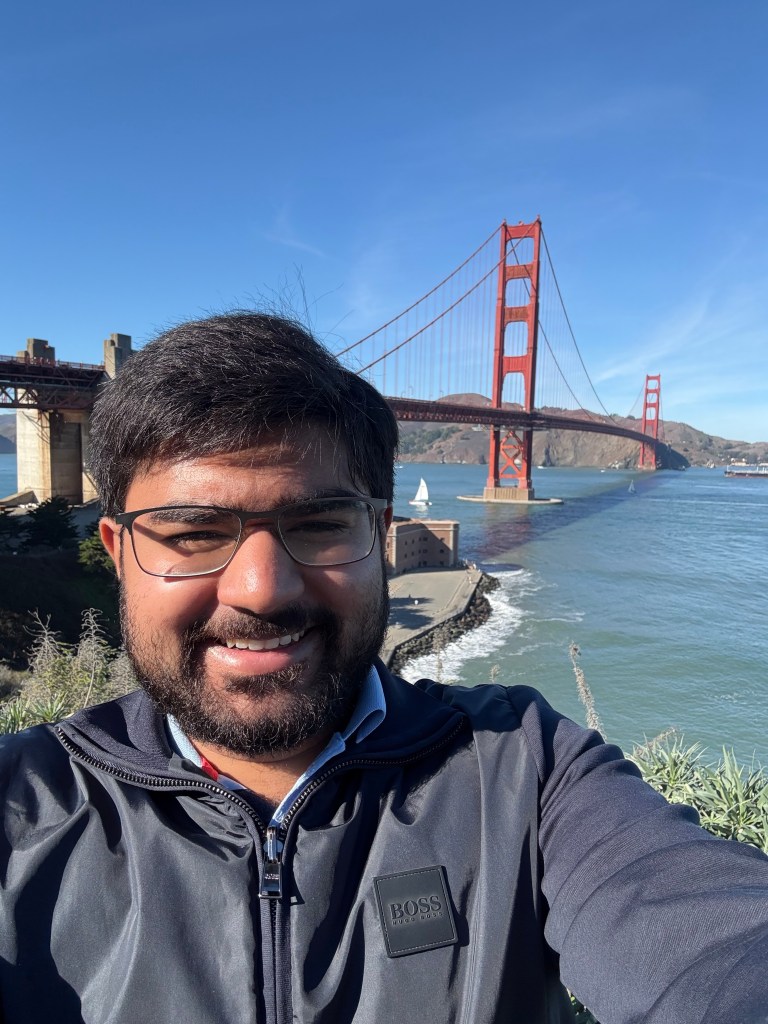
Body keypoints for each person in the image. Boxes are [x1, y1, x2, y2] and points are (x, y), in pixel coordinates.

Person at [1, 312, 767, 1024]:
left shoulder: (526, 772)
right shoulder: (21, 806)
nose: (261, 589)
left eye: (320, 524)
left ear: (382, 536)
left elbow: (719, 949)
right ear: (118, 553)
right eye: (193, 532)